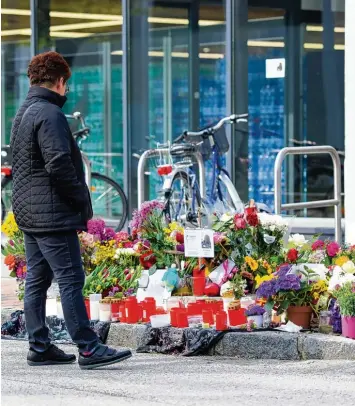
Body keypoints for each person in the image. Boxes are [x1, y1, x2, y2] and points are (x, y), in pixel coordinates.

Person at [11, 51, 132, 369]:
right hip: (51, 213)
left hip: (30, 212)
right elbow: (58, 163)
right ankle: (89, 346)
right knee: (70, 277)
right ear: (60, 81)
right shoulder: (50, 114)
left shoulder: (24, 112)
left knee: (37, 278)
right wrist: (80, 197)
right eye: (67, 84)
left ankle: (39, 345)